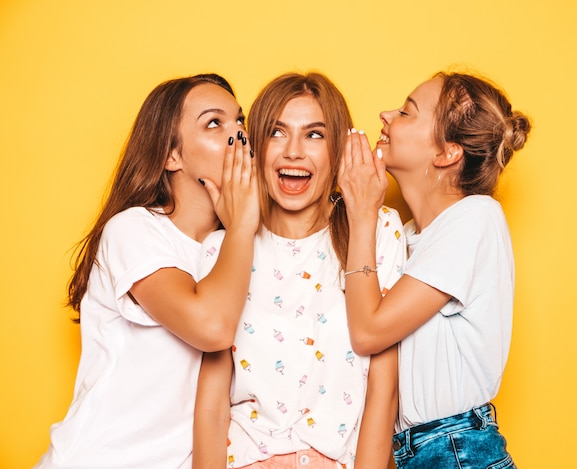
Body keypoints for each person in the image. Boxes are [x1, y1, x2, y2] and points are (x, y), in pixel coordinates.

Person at [34, 73, 259, 468]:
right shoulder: (134, 229)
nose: (237, 134)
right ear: (171, 156)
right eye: (214, 123)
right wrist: (242, 225)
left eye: (239, 121)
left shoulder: (236, 249)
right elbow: (211, 327)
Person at [193, 72, 406, 469]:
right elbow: (212, 401)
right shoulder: (222, 249)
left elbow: (384, 388)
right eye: (276, 132)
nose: (293, 151)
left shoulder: (378, 228)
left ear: (338, 150)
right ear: (255, 146)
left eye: (314, 135)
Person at [338, 71, 531, 469]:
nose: (386, 114)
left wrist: (361, 214)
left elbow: (369, 331)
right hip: (419, 452)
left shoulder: (475, 218)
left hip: (456, 450)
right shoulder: (405, 237)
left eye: (407, 112)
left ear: (447, 153)